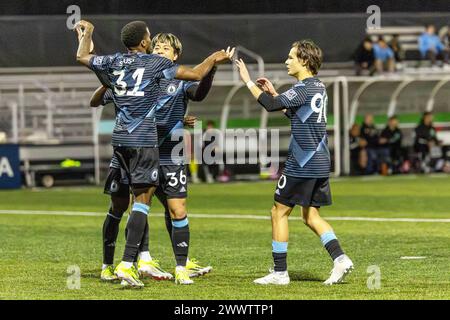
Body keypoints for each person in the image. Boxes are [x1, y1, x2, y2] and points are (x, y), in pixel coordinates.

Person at [75, 19, 233, 287]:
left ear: (175, 55)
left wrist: (88, 34)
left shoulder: (137, 68)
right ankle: (131, 262)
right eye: (155, 43)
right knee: (134, 203)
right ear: (146, 44)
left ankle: (174, 263)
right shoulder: (150, 68)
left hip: (150, 148)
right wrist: (214, 59)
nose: (159, 49)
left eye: (165, 48)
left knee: (169, 207)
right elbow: (195, 74)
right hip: (144, 144)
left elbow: (83, 55)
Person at [235, 40, 353, 285]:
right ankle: (340, 259)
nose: (286, 61)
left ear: (305, 61)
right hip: (320, 161)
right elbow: (295, 112)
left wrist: (247, 79)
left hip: (302, 162)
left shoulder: (303, 88)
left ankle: (280, 273)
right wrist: (277, 94)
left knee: (278, 212)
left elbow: (270, 106)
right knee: (310, 216)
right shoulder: (318, 88)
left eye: (291, 57)